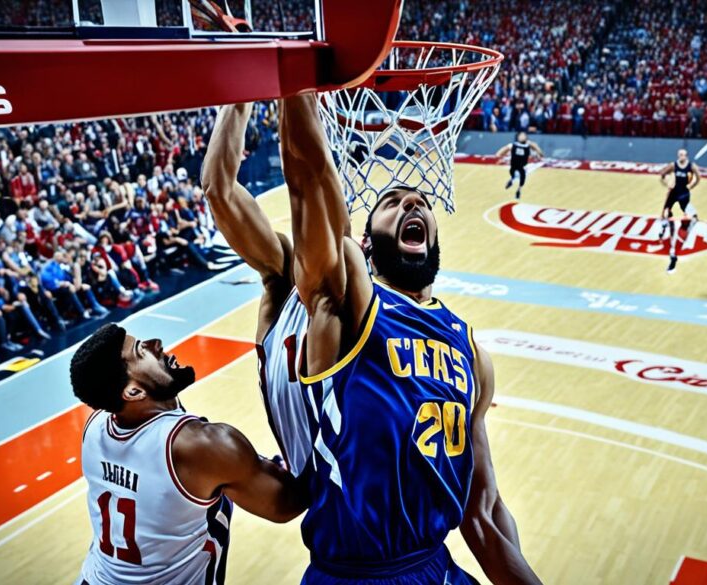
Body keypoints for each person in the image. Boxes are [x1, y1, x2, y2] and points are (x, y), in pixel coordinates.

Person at [280, 94, 539, 584]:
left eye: (418, 201)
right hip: (355, 575)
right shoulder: (348, 304)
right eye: (391, 203)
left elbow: (483, 511)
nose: (411, 202)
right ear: (368, 245)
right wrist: (294, 85)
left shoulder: (470, 351)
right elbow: (309, 182)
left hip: (434, 567)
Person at [69, 323, 307, 584]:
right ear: (134, 392)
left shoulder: (96, 425)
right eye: (141, 351)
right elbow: (287, 504)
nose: (155, 342)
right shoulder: (198, 446)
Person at [201, 102, 314, 482]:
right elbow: (219, 190)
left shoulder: (376, 295)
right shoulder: (286, 280)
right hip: (325, 488)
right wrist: (240, 94)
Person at [658, 148, 701, 273]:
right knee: (666, 213)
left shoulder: (691, 166)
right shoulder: (674, 165)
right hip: (674, 192)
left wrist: (691, 186)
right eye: (680, 154)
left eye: (683, 155)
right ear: (678, 155)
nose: (681, 156)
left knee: (693, 217)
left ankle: (683, 234)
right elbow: (662, 174)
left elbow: (698, 177)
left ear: (686, 156)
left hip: (684, 194)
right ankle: (665, 225)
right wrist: (667, 183)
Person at [496, 131, 544, 200]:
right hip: (516, 165)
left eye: (524, 135)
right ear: (517, 137)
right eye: (521, 135)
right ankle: (513, 182)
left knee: (524, 174)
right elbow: (499, 153)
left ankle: (516, 186)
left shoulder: (530, 145)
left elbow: (540, 153)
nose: (523, 136)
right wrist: (498, 157)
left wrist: (537, 151)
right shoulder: (513, 145)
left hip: (527, 166)